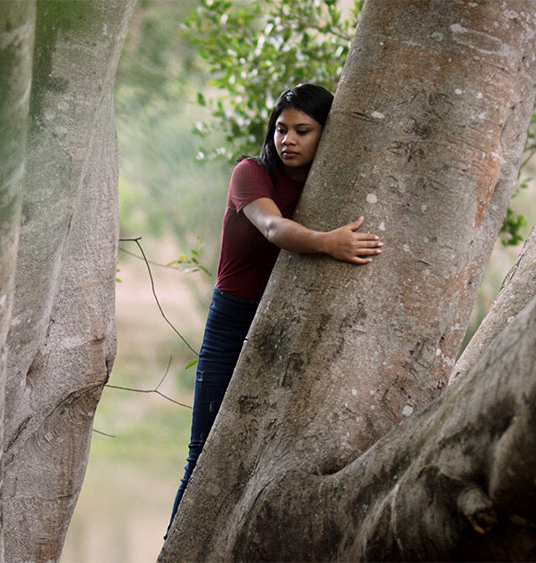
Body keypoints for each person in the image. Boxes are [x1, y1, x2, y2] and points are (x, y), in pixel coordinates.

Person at [166, 84, 382, 532]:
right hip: (232, 322)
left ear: (327, 133)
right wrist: (327, 242)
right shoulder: (251, 173)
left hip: (296, 324)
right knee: (203, 452)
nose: (289, 140)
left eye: (303, 130)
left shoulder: (335, 183)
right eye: (281, 129)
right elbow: (272, 226)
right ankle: (177, 544)